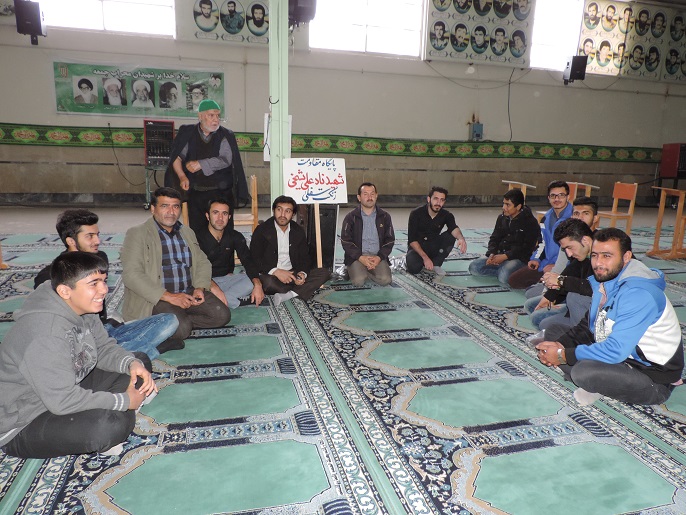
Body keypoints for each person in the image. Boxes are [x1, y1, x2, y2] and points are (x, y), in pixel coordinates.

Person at [0, 252, 157, 459]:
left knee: (139, 362)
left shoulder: (83, 306)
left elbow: (103, 348)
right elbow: (62, 400)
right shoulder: (45, 334)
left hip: (69, 384)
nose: (104, 289)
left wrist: (131, 364)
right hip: (25, 420)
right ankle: (119, 415)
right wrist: (124, 401)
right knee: (106, 428)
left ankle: (120, 410)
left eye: (104, 280)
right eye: (94, 283)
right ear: (65, 291)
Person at [536, 228, 684, 406]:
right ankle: (601, 381)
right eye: (595, 255)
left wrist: (563, 356)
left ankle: (598, 382)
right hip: (621, 357)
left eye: (607, 256)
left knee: (582, 371)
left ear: (626, 257)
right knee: (554, 332)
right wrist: (560, 346)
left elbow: (615, 350)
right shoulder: (604, 282)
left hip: (652, 376)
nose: (598, 263)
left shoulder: (639, 295)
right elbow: (588, 326)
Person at [33, 209, 179, 359]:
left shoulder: (99, 258)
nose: (97, 241)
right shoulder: (50, 276)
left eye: (97, 235)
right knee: (86, 356)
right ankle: (147, 350)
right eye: (90, 236)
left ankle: (130, 351)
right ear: (71, 241)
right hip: (82, 338)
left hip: (104, 329)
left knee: (169, 321)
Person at [121, 187, 231, 352]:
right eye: (165, 206)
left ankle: (171, 322)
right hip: (158, 296)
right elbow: (131, 275)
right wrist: (171, 297)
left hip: (187, 291)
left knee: (221, 315)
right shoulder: (137, 234)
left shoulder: (186, 232)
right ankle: (173, 322)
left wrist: (200, 288)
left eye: (175, 206)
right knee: (182, 330)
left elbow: (202, 262)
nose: (171, 212)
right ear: (153, 209)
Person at [166, 99, 248, 236]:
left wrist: (201, 164)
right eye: (211, 115)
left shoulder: (225, 135)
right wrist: (182, 176)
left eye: (218, 116)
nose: (216, 119)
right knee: (198, 233)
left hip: (222, 193)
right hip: (197, 193)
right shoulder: (188, 133)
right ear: (200, 116)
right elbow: (177, 157)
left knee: (223, 233)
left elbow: (226, 160)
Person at [249, 196, 331, 306]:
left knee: (324, 273)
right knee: (268, 283)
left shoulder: (298, 231)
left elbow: (304, 258)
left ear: (293, 214)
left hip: (292, 273)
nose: (282, 215)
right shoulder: (262, 230)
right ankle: (297, 290)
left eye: (287, 211)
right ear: (273, 210)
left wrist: (302, 273)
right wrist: (276, 271)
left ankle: (289, 294)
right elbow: (254, 258)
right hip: (271, 274)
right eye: (279, 209)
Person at [525, 218, 594, 331]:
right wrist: (549, 297)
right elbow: (569, 273)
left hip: (598, 311)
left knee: (573, 298)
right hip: (579, 303)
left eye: (569, 247)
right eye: (565, 249)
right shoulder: (583, 254)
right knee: (533, 307)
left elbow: (595, 288)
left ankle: (581, 333)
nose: (569, 254)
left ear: (585, 240)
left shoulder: (603, 257)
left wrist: (561, 281)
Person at [196, 198, 265, 308]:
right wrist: (213, 287)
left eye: (224, 214)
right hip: (205, 282)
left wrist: (257, 284)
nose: (220, 218)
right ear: (207, 216)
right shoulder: (197, 237)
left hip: (227, 280)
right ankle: (233, 301)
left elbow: (247, 260)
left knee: (256, 279)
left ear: (229, 217)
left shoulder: (235, 236)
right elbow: (194, 269)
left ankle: (221, 300)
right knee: (194, 288)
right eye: (215, 213)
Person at [508, 181, 572, 289]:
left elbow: (575, 251)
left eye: (561, 195)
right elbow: (542, 242)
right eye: (553, 196)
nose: (556, 199)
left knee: (534, 291)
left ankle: (546, 286)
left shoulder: (573, 218)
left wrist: (556, 266)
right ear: (548, 198)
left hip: (565, 267)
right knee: (514, 280)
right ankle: (542, 284)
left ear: (568, 197)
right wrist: (535, 259)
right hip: (545, 264)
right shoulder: (546, 218)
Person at [468, 189, 540, 285]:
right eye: (504, 204)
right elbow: (495, 238)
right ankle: (504, 270)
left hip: (518, 258)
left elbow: (526, 248)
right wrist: (492, 253)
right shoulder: (502, 218)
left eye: (508, 205)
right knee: (474, 267)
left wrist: (505, 256)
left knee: (504, 277)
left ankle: (514, 271)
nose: (504, 207)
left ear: (518, 207)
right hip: (500, 255)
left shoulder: (530, 222)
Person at [341, 183, 395, 287]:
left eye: (372, 194)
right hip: (357, 257)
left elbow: (390, 240)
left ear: (376, 196)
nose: (369, 197)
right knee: (359, 281)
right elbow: (345, 241)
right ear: (359, 197)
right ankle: (355, 270)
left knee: (385, 280)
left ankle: (366, 271)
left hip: (377, 257)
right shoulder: (351, 217)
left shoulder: (385, 217)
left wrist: (379, 257)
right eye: (365, 194)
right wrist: (360, 257)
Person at [406, 186, 467, 276]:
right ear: (429, 199)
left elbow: (453, 228)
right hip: (418, 248)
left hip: (434, 246)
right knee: (414, 268)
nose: (438, 203)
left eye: (442, 200)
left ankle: (436, 263)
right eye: (436, 199)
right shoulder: (416, 213)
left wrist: (461, 238)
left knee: (451, 236)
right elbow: (412, 240)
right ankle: (423, 261)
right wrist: (425, 258)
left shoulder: (446, 215)